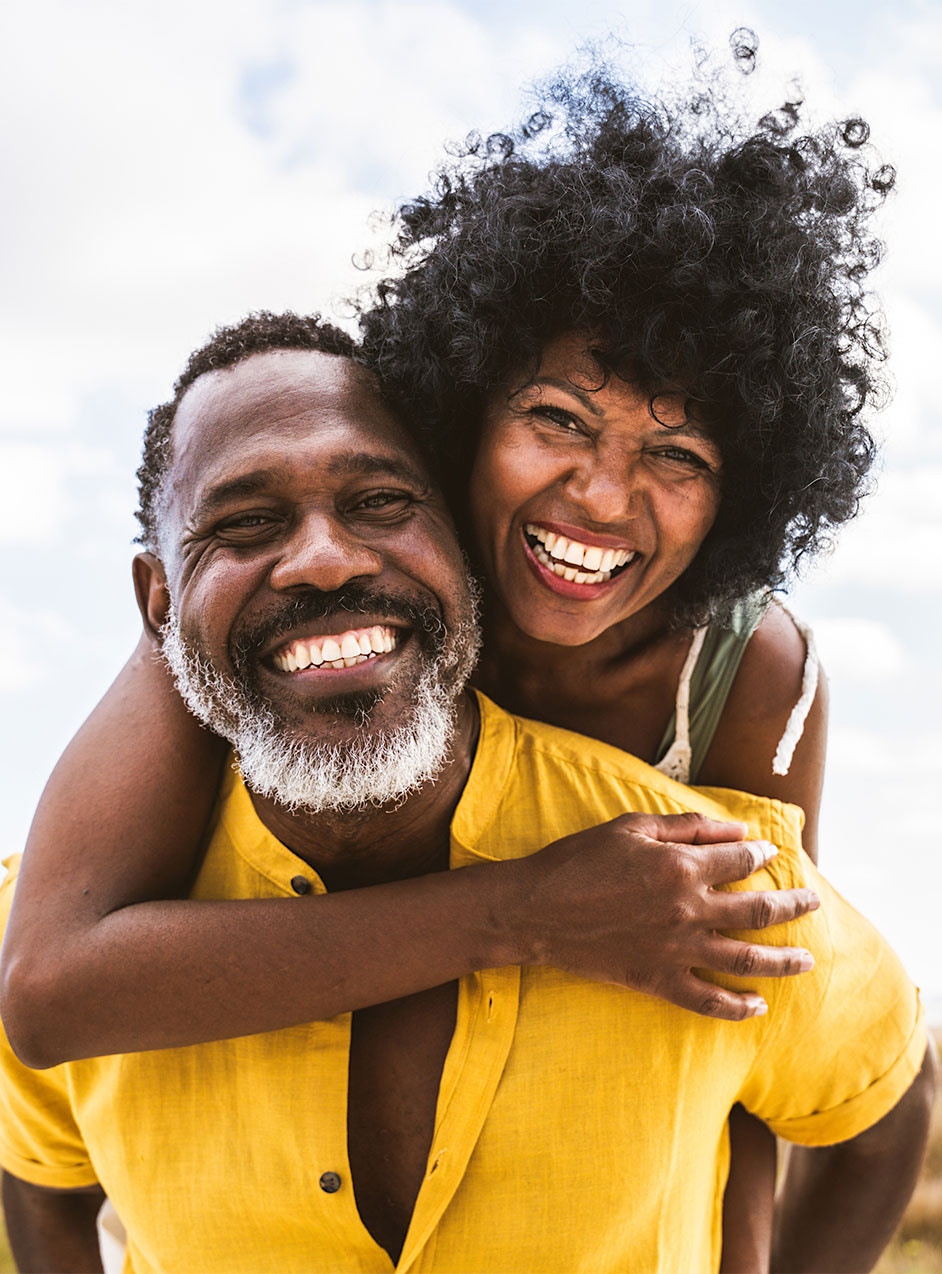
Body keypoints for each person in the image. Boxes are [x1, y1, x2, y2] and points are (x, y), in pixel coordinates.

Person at [0, 42, 915, 1269]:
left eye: (679, 458)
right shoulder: (298, 611)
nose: (599, 497)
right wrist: (526, 913)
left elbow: (753, 1026)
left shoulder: (743, 668)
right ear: (457, 416)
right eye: (556, 422)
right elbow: (53, 987)